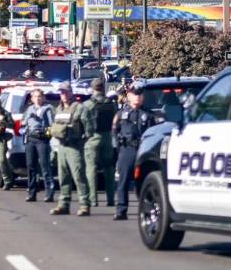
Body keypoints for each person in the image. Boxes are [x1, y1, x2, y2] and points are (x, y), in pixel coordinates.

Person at [112, 84, 157, 220]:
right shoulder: (120, 115)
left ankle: (149, 212)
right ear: (129, 96)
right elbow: (114, 132)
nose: (137, 96)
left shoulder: (149, 115)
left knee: (145, 183)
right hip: (127, 150)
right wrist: (118, 153)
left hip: (143, 151)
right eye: (134, 94)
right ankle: (121, 210)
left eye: (139, 94)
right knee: (123, 182)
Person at [49, 84, 91, 216]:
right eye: (62, 92)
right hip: (61, 146)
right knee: (63, 176)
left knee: (79, 176)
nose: (64, 95)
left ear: (71, 93)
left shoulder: (79, 108)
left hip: (74, 146)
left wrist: (82, 140)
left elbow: (89, 127)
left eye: (66, 92)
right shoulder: (59, 109)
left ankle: (84, 205)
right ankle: (63, 204)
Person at [81, 78, 118, 207]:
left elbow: (83, 121)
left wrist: (85, 136)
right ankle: (111, 199)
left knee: (91, 169)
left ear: (92, 88)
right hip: (107, 137)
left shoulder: (88, 104)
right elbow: (115, 119)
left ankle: (93, 199)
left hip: (92, 138)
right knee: (109, 169)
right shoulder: (110, 103)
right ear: (103, 88)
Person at [22, 88, 55, 203]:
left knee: (45, 166)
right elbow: (23, 122)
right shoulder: (29, 109)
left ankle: (49, 193)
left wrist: (48, 131)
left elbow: (52, 125)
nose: (37, 98)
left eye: (39, 96)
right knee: (30, 166)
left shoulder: (48, 109)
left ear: (43, 97)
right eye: (35, 96)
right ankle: (32, 193)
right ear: (32, 98)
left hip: (42, 139)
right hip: (31, 138)